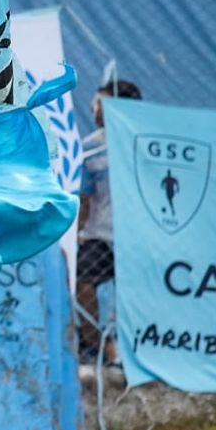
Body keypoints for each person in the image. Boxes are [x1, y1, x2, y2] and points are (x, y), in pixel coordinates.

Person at [77, 79, 141, 365]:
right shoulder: (89, 149)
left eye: (102, 103)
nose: (95, 110)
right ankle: (97, 347)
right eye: (94, 103)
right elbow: (85, 199)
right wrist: (77, 233)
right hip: (100, 235)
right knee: (82, 282)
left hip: (141, 237)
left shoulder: (147, 141)